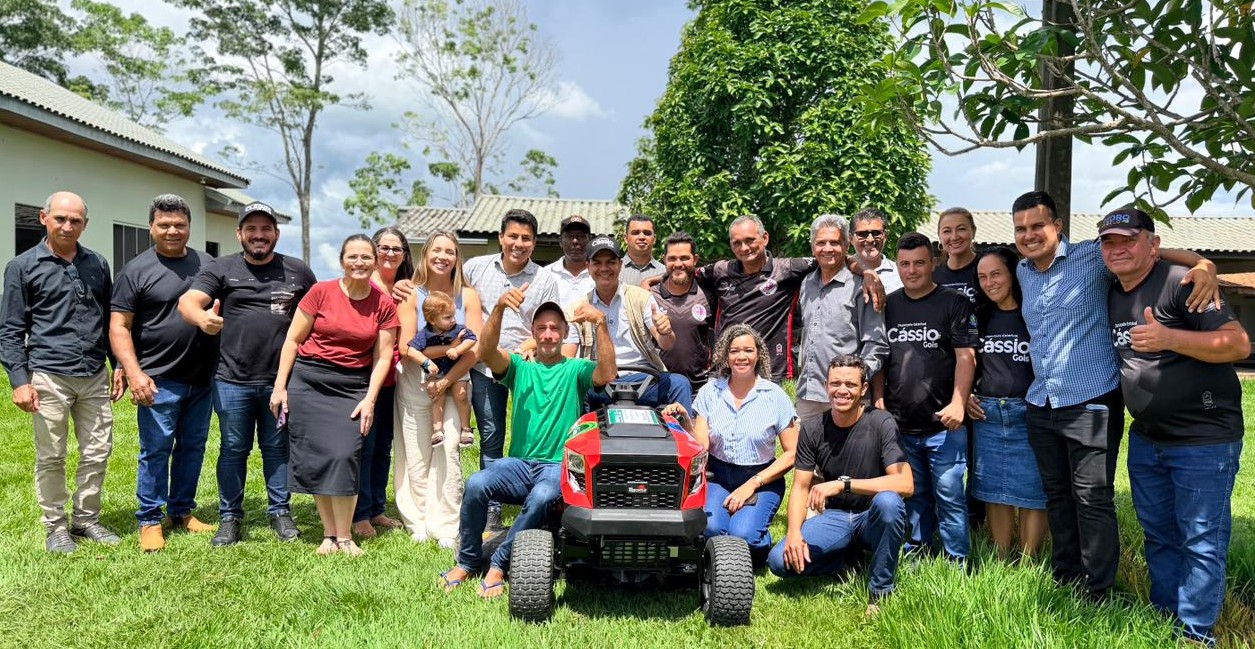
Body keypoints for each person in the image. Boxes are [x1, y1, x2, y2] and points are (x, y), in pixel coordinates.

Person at [1011, 190, 1220, 601]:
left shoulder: (1094, 257)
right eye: (1021, 229)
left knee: (1092, 498)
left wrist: (1203, 263)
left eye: (1038, 226)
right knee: (1057, 496)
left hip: (1090, 400)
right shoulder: (1022, 271)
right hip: (1042, 402)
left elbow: (1150, 253)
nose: (1029, 235)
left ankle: (1098, 588)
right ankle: (1065, 575)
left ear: (1058, 227)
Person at [1099, 208, 1248, 647]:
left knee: (1201, 540)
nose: (1118, 248)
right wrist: (1201, 259)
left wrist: (1170, 338)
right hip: (1148, 439)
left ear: (1153, 243)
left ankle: (1195, 635)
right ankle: (1166, 621)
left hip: (1204, 440)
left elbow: (1237, 344)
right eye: (1109, 241)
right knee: (1159, 536)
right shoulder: (1111, 288)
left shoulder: (1180, 283)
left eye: (1128, 239)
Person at [439, 288, 616, 598]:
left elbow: (608, 372)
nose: (548, 335)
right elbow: (486, 350)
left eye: (554, 328)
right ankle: (467, 561)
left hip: (555, 466)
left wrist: (600, 322)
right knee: (478, 483)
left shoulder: (576, 370)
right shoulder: (520, 368)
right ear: (533, 333)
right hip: (519, 464)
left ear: (564, 333)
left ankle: (498, 563)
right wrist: (497, 308)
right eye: (541, 328)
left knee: (544, 495)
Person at [179, 201, 317, 547]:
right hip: (231, 380)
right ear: (239, 233)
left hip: (280, 382)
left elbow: (319, 314)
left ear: (276, 234)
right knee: (233, 448)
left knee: (276, 448)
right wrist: (203, 319)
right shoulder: (221, 268)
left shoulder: (298, 272)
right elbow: (188, 302)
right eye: (251, 229)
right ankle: (230, 517)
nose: (259, 236)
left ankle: (280, 512)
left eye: (265, 229)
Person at [1, 191, 121, 553]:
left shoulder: (98, 264)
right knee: (52, 455)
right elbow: (9, 329)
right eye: (61, 219)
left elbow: (109, 320)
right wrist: (20, 381)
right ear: (44, 218)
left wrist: (118, 367)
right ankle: (55, 526)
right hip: (49, 375)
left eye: (76, 220)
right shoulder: (22, 267)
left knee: (98, 451)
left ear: (86, 223)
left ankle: (86, 520)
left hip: (94, 373)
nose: (68, 226)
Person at [270, 235, 397, 556]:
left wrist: (370, 399)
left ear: (374, 261)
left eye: (366, 257)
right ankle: (329, 535)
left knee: (345, 456)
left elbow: (383, 357)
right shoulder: (320, 292)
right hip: (309, 382)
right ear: (342, 260)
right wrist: (280, 387)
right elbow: (292, 341)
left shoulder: (382, 303)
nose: (359, 263)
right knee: (317, 458)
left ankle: (345, 535)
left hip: (352, 385)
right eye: (353, 256)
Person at [109, 194, 219, 552]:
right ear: (151, 228)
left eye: (180, 224)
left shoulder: (207, 265)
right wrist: (134, 372)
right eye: (165, 224)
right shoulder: (135, 270)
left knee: (193, 447)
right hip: (158, 379)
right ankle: (150, 520)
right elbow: (119, 326)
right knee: (155, 450)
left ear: (190, 227)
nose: (173, 230)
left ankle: (182, 511)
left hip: (202, 378)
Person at [767, 355, 912, 615]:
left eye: (850, 385)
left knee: (889, 502)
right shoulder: (812, 429)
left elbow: (905, 483)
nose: (842, 390)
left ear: (863, 389)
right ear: (826, 386)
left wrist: (843, 485)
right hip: (835, 517)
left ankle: (879, 592)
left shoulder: (881, 423)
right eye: (835, 383)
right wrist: (794, 533)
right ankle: (845, 562)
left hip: (872, 516)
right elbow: (800, 487)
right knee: (779, 561)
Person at [880, 233, 977, 561]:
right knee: (915, 496)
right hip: (901, 425)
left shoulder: (954, 302)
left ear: (933, 263)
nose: (912, 270)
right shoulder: (889, 305)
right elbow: (880, 358)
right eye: (904, 264)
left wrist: (959, 403)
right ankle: (919, 554)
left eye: (919, 263)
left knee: (950, 496)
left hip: (943, 426)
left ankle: (957, 563)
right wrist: (879, 401)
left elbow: (967, 357)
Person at [666, 323, 798, 563]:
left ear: (758, 354)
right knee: (710, 529)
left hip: (760, 478)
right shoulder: (710, 392)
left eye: (748, 350)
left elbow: (792, 454)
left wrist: (753, 483)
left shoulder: (774, 395)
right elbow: (701, 447)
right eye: (735, 351)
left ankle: (759, 542)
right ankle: (730, 543)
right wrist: (686, 421)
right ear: (725, 356)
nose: (741, 357)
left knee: (742, 535)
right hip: (719, 475)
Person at [462, 209, 559, 529]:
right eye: (513, 236)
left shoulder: (544, 278)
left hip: (525, 367)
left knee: (527, 438)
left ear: (535, 243)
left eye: (526, 238)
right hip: (484, 365)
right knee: (491, 436)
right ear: (501, 237)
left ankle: (532, 498)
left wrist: (528, 348)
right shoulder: (475, 268)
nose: (519, 243)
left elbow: (546, 325)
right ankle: (490, 510)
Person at [395, 231, 483, 545]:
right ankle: (417, 520)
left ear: (457, 258)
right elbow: (405, 346)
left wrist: (447, 379)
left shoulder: (468, 296)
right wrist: (438, 360)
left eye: (450, 251)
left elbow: (476, 348)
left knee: (449, 447)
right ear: (426, 255)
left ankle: (446, 522)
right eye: (437, 250)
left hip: (457, 379)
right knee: (417, 451)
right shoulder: (410, 294)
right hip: (417, 381)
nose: (443, 257)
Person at [964, 247, 1046, 560]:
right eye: (982, 277)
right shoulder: (979, 315)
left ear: (1013, 273)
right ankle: (1000, 558)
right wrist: (968, 392)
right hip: (987, 412)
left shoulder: (1034, 312)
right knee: (993, 490)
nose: (989, 282)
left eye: (996, 273)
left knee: (1032, 492)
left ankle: (1028, 563)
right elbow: (966, 359)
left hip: (1029, 411)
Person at [564, 236, 692, 412]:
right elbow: (567, 359)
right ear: (588, 266)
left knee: (679, 384)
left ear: (620, 264)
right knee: (573, 389)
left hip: (644, 378)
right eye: (597, 263)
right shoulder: (577, 308)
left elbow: (666, 343)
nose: (604, 268)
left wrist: (665, 331)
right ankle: (574, 438)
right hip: (600, 383)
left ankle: (685, 436)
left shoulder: (641, 298)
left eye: (610, 262)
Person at [695, 215, 816, 381]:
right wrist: (651, 281)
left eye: (750, 240)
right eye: (737, 243)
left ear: (765, 238)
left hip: (770, 373)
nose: (744, 248)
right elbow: (684, 273)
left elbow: (832, 260)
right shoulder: (720, 270)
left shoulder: (787, 269)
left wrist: (863, 270)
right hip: (725, 372)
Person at [351, 225, 413, 538]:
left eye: (396, 249)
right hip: (363, 378)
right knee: (365, 446)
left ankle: (375, 508)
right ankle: (359, 514)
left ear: (405, 256)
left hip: (393, 381)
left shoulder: (406, 288)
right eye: (384, 248)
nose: (389, 254)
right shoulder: (366, 285)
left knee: (382, 448)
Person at [794, 214, 887, 421]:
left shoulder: (862, 285)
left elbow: (876, 343)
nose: (827, 249)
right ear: (812, 247)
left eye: (835, 242)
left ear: (846, 246)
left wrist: (854, 380)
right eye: (821, 243)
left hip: (848, 398)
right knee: (807, 452)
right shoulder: (807, 283)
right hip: (809, 395)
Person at [407, 291, 477, 447]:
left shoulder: (458, 329)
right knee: (437, 396)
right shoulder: (425, 334)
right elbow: (411, 351)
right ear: (432, 319)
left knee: (461, 394)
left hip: (457, 370)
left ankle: (466, 428)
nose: (453, 320)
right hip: (436, 372)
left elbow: (472, 340)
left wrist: (458, 350)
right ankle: (437, 429)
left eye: (453, 315)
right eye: (447, 317)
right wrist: (426, 362)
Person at [651, 231, 716, 393]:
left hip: (700, 387)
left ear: (695, 259)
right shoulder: (650, 296)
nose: (678, 264)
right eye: (672, 258)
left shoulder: (709, 295)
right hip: (660, 384)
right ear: (664, 260)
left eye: (684, 258)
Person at [540, 215, 594, 305]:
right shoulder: (545, 274)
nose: (575, 241)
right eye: (570, 236)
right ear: (560, 241)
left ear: (590, 240)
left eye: (581, 236)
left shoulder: (600, 273)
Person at [933, 207, 980, 304]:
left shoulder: (986, 268)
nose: (954, 237)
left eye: (961, 229)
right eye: (947, 231)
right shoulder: (933, 275)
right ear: (939, 236)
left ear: (973, 232)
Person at [852, 208, 902, 293]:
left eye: (876, 233)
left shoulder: (900, 273)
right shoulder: (839, 271)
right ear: (850, 238)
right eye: (862, 234)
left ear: (885, 236)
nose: (870, 239)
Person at [619, 213, 665, 287]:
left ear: (654, 239)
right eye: (635, 233)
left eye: (647, 233)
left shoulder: (664, 272)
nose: (642, 237)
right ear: (625, 238)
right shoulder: (613, 271)